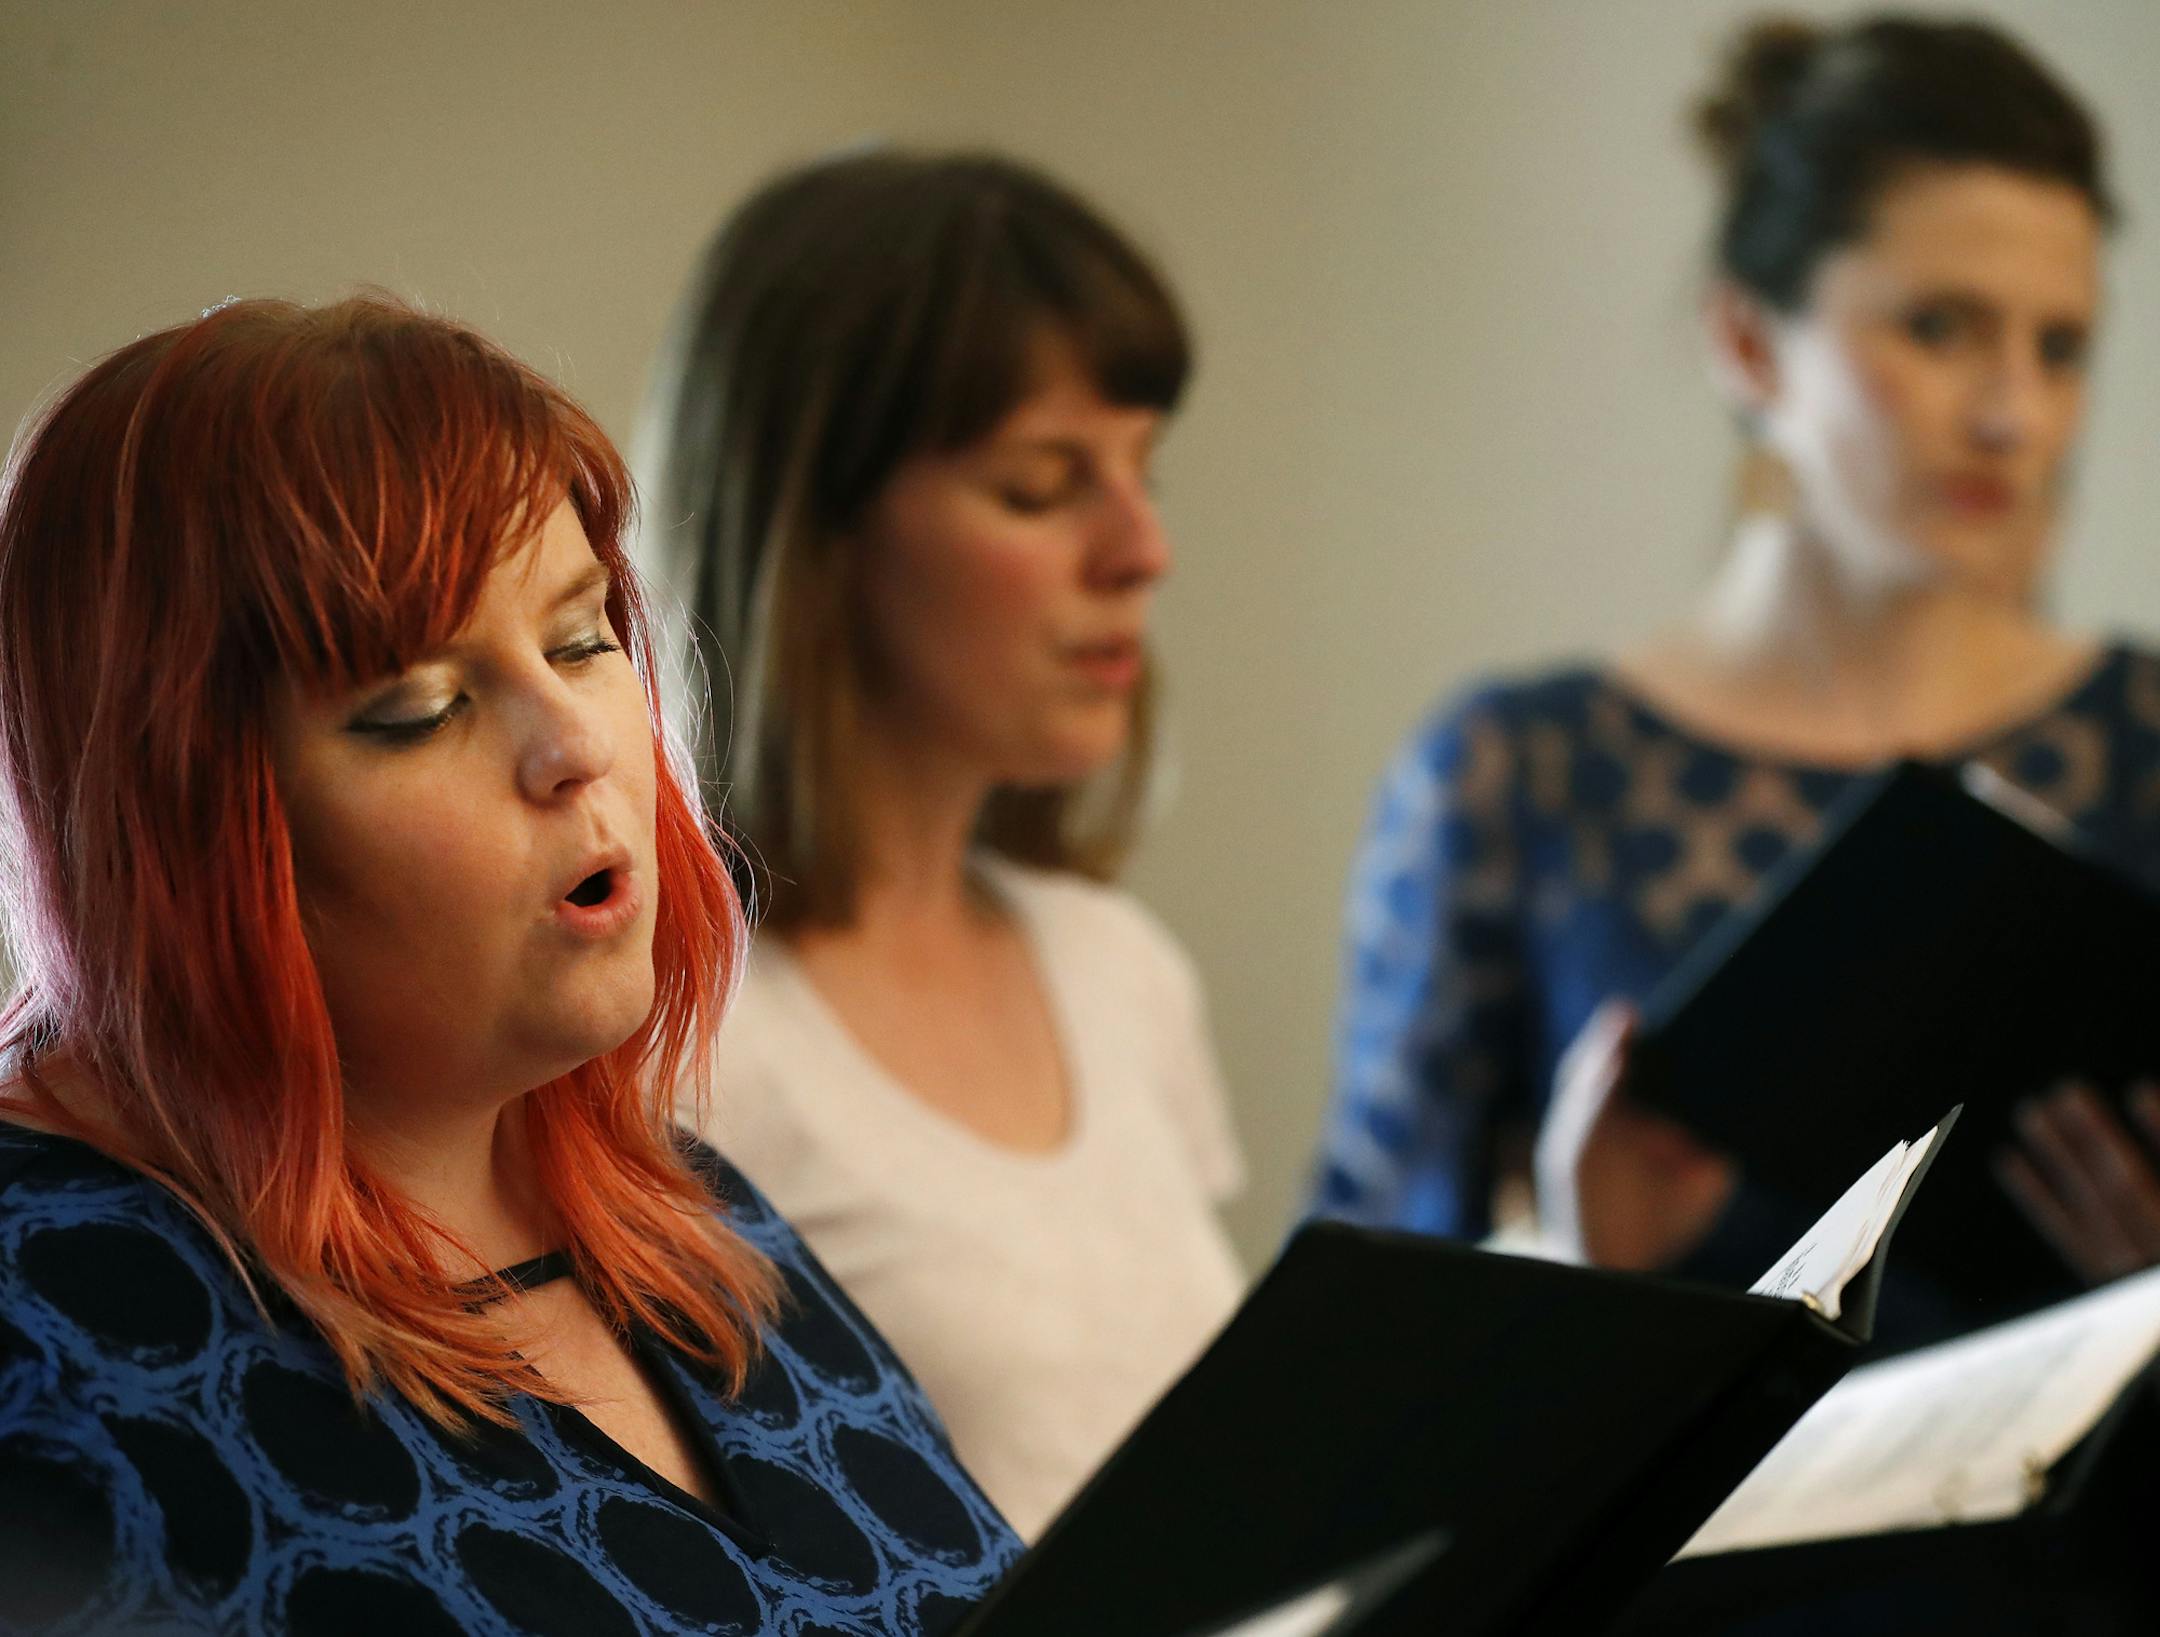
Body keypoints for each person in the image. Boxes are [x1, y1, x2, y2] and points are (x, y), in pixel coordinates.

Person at [0, 295, 1018, 1634]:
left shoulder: (692, 1217)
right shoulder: (47, 1328)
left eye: (583, 636)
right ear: (176, 823)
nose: (577, 747)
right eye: (420, 709)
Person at [1312, 15, 2160, 1306]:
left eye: (2060, 348)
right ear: (1749, 344)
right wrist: (1581, 1274)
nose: (2014, 415)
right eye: (1941, 328)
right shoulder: (1517, 774)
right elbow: (1344, 1361)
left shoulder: (2147, 746)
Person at [635, 150, 1246, 1540]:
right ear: (820, 530)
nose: (1140, 547)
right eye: (1042, 487)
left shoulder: (1119, 966)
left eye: (1143, 472)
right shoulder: (681, 1039)